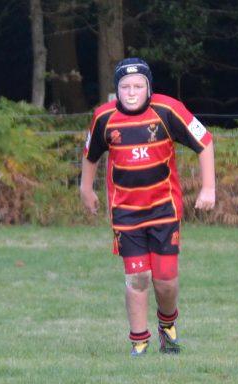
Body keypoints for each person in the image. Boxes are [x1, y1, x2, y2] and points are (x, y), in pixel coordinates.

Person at [79, 57, 216, 356]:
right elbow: (90, 154)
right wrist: (85, 188)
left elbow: (205, 141)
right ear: (116, 90)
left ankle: (167, 326)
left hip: (164, 210)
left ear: (149, 88)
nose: (131, 92)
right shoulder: (103, 117)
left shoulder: (168, 110)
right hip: (126, 213)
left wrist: (209, 188)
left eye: (138, 86)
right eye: (125, 86)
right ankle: (139, 341)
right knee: (137, 278)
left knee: (165, 281)